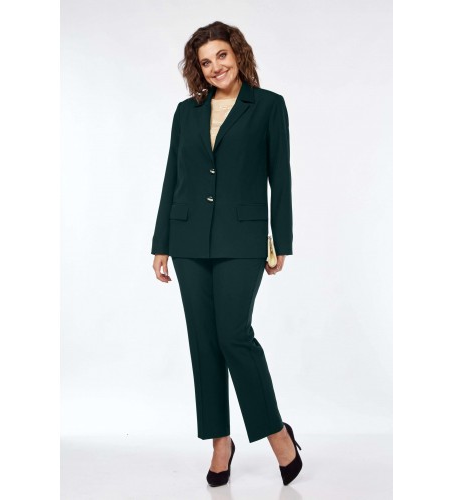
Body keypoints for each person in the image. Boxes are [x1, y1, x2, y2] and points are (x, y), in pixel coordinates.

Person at [151, 21, 302, 487]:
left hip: (243, 238)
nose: (215, 67)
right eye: (205, 61)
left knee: (234, 335)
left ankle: (276, 432)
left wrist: (280, 240)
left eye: (221, 55)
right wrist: (161, 243)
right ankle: (220, 442)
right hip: (188, 240)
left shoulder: (268, 106)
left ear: (237, 54)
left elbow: (280, 175)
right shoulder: (186, 112)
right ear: (197, 69)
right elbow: (173, 175)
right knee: (204, 340)